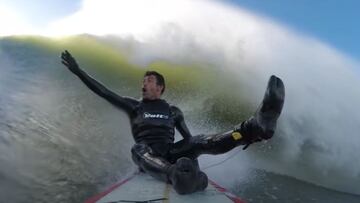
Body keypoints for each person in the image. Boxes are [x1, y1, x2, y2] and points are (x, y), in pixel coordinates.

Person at [61, 50, 285, 194]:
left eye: (148, 82)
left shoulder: (173, 111)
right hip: (148, 157)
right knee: (137, 148)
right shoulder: (134, 106)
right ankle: (175, 176)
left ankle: (251, 129)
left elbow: (190, 141)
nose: (143, 85)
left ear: (160, 87)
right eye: (143, 81)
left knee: (198, 141)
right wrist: (78, 72)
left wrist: (192, 166)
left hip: (172, 154)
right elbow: (104, 92)